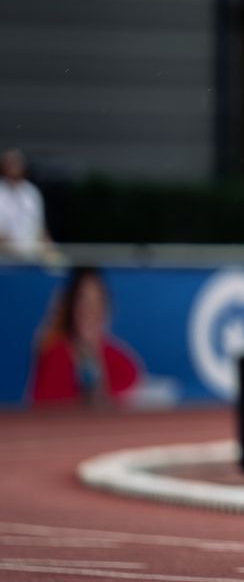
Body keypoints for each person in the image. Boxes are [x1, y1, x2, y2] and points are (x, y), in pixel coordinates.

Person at [29, 267, 144, 406]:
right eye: (82, 301)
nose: (89, 310)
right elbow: (44, 411)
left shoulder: (122, 362)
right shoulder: (55, 356)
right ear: (71, 307)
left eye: (97, 302)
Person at [0, 147, 54, 262]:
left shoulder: (31, 192)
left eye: (16, 163)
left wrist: (51, 251)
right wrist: (17, 252)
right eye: (10, 163)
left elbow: (40, 228)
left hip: (32, 257)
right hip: (4, 260)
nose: (13, 166)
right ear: (3, 166)